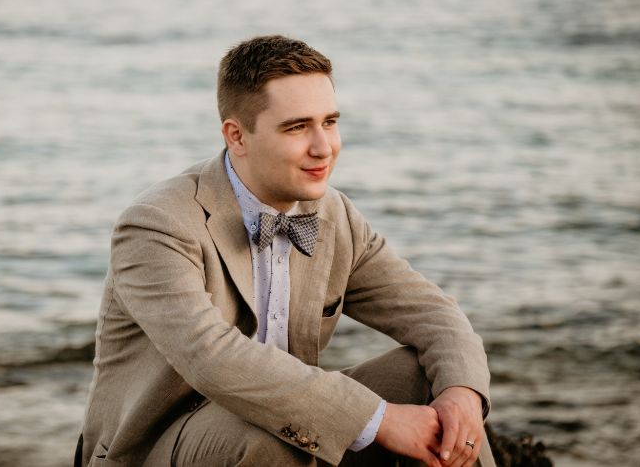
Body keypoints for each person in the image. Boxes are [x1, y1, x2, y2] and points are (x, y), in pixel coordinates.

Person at [76, 35, 495, 467]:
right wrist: (380, 419)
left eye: (330, 122)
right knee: (273, 440)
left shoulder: (334, 215)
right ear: (237, 136)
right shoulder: (156, 224)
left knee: (439, 385)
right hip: (152, 445)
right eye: (297, 127)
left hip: (280, 418)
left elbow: (433, 313)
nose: (323, 147)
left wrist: (462, 395)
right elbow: (212, 358)